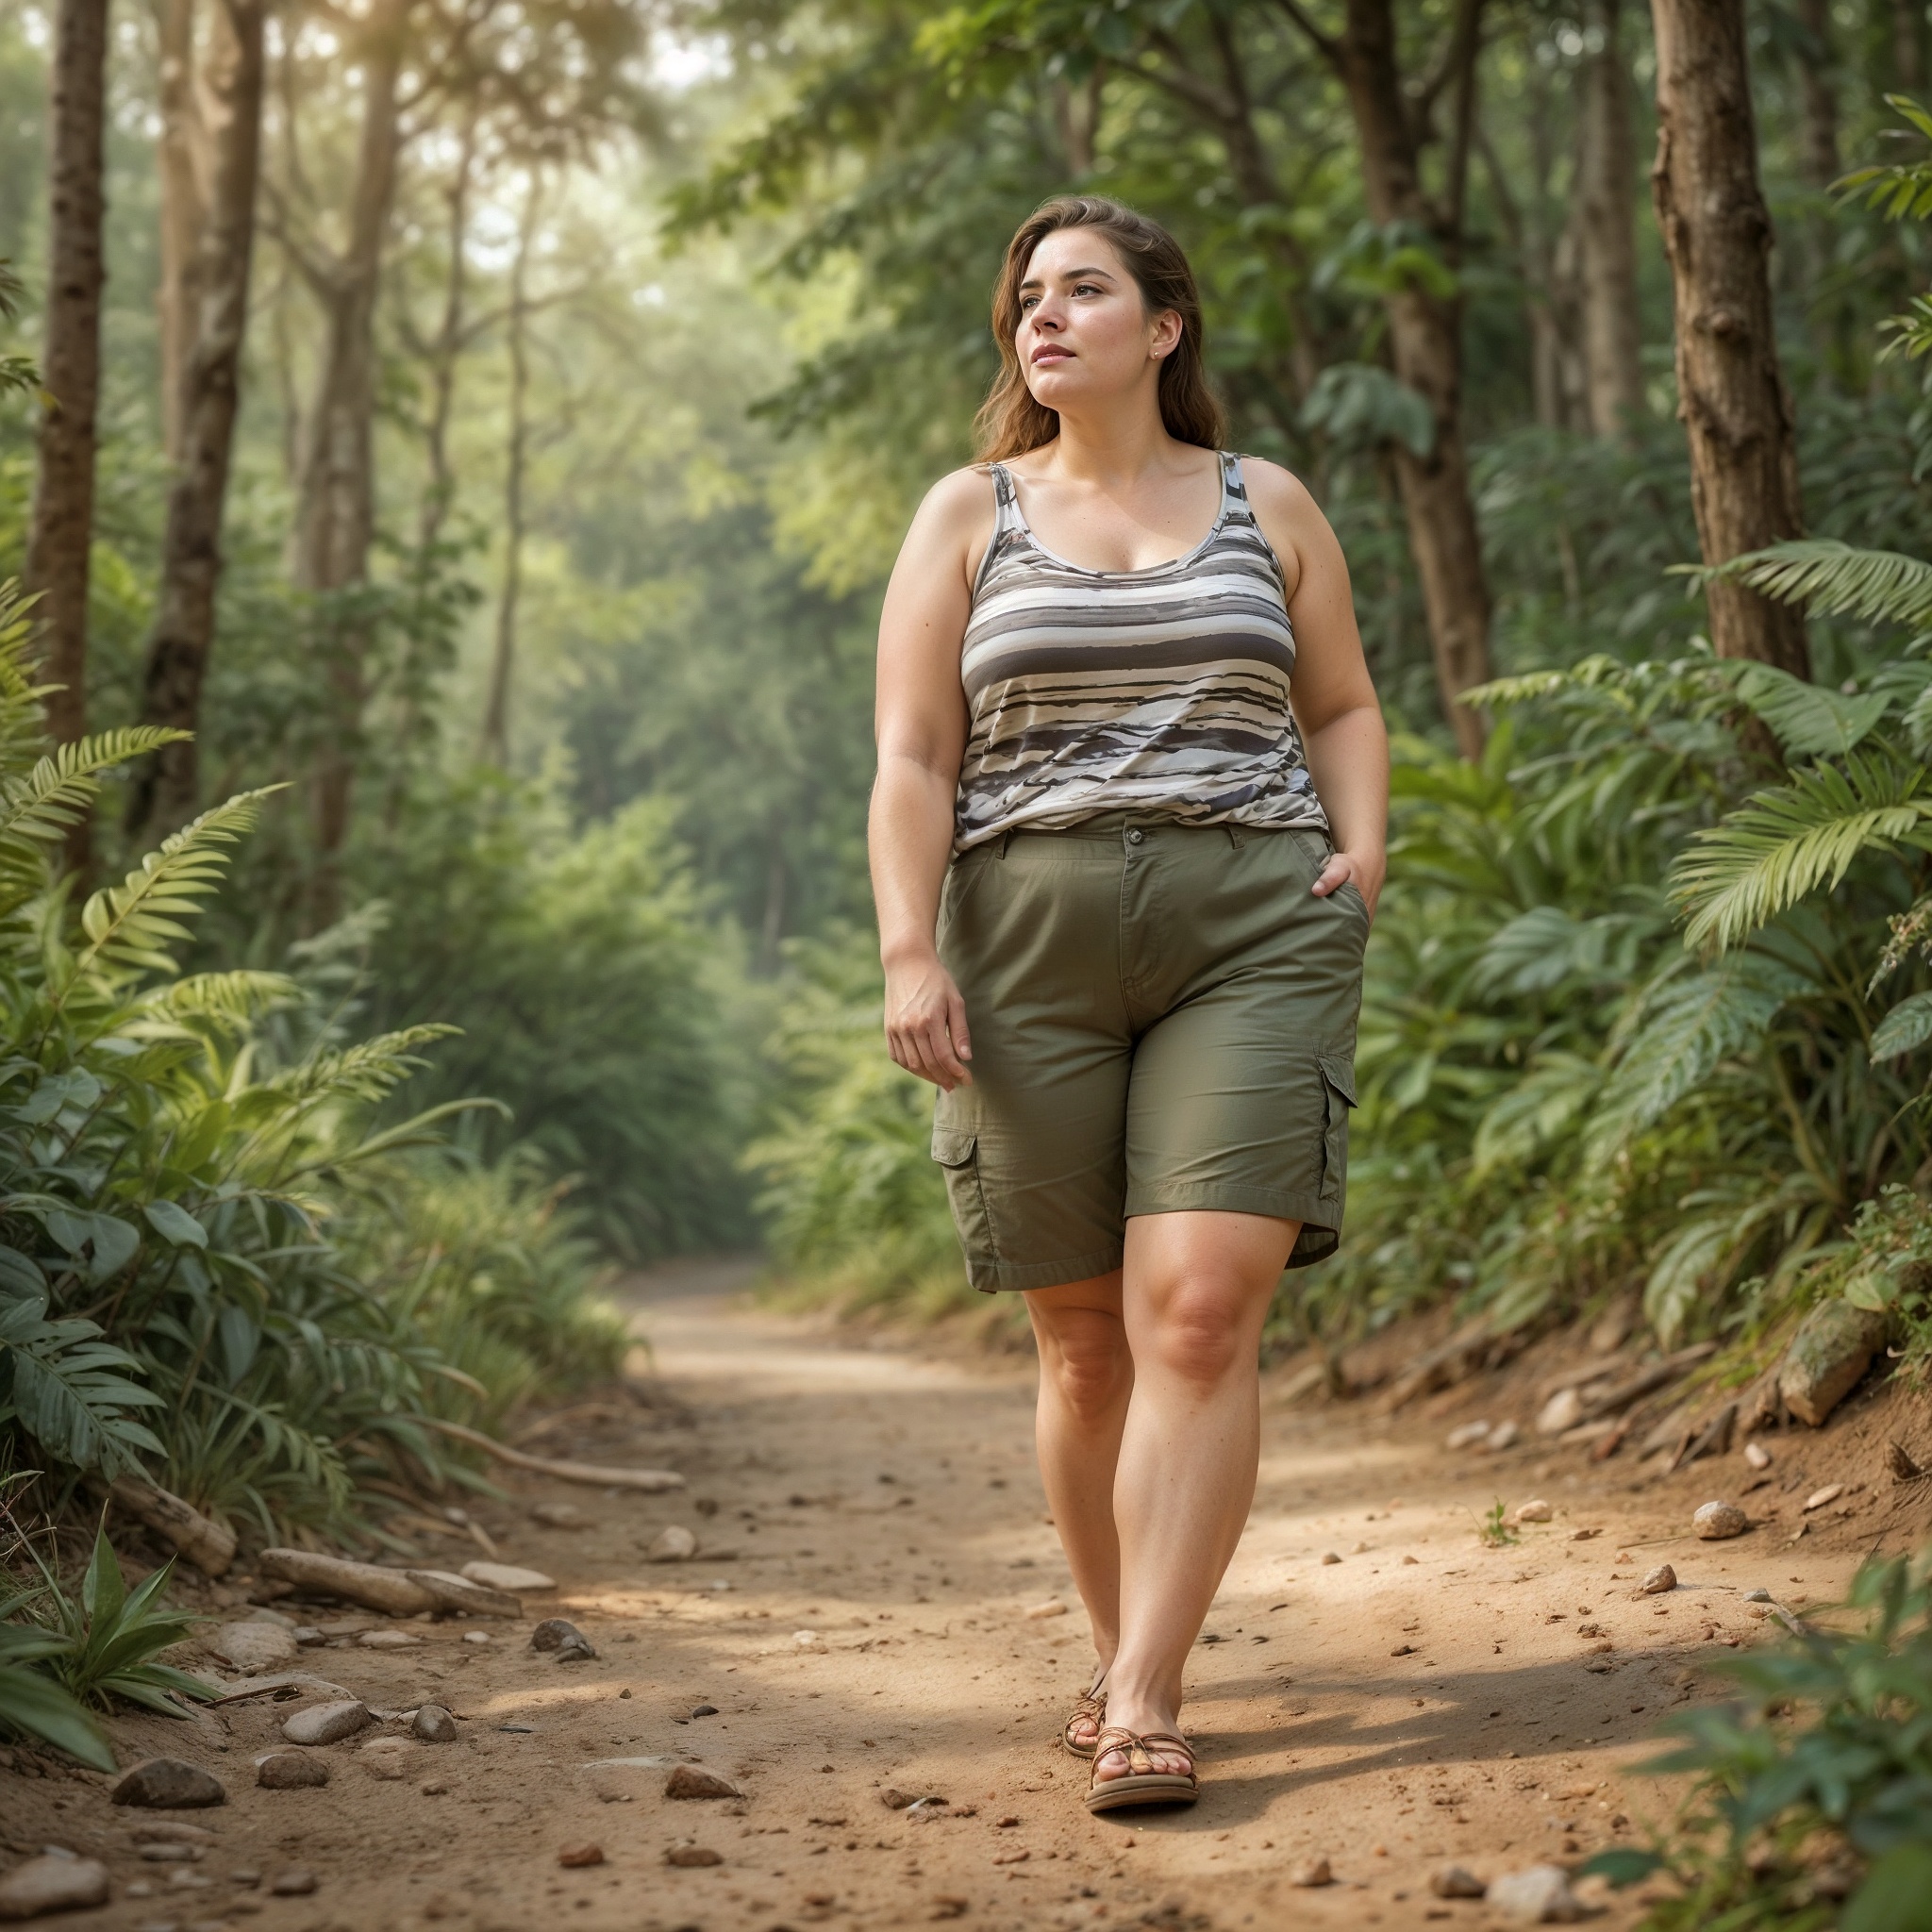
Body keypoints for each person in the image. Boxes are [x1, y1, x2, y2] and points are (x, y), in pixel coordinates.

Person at [868, 194, 1389, 1814]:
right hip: (1027, 943)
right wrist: (906, 948)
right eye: (1028, 294)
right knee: (1086, 1344)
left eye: (1084, 289)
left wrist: (1361, 850)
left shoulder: (1266, 501)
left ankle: (1154, 1686)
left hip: (1256, 926)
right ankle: (1116, 1646)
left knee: (1196, 1315)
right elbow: (912, 760)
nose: (1045, 315)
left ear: (1163, 327)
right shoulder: (967, 516)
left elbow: (1347, 701)